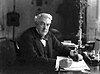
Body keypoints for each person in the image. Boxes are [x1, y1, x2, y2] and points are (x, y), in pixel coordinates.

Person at [17, 13, 83, 73]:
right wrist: (58, 63)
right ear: (36, 24)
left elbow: (59, 46)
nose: (45, 28)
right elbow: (33, 60)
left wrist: (71, 52)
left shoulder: (49, 34)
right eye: (42, 24)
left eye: (48, 25)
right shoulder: (27, 37)